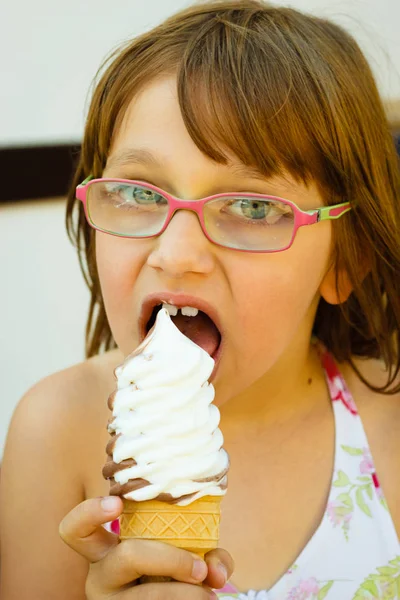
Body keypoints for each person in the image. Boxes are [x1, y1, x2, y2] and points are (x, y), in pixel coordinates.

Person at [1, 0, 399, 598]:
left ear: (345, 261)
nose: (177, 252)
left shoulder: (389, 426)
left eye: (254, 207)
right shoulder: (56, 431)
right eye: (138, 193)